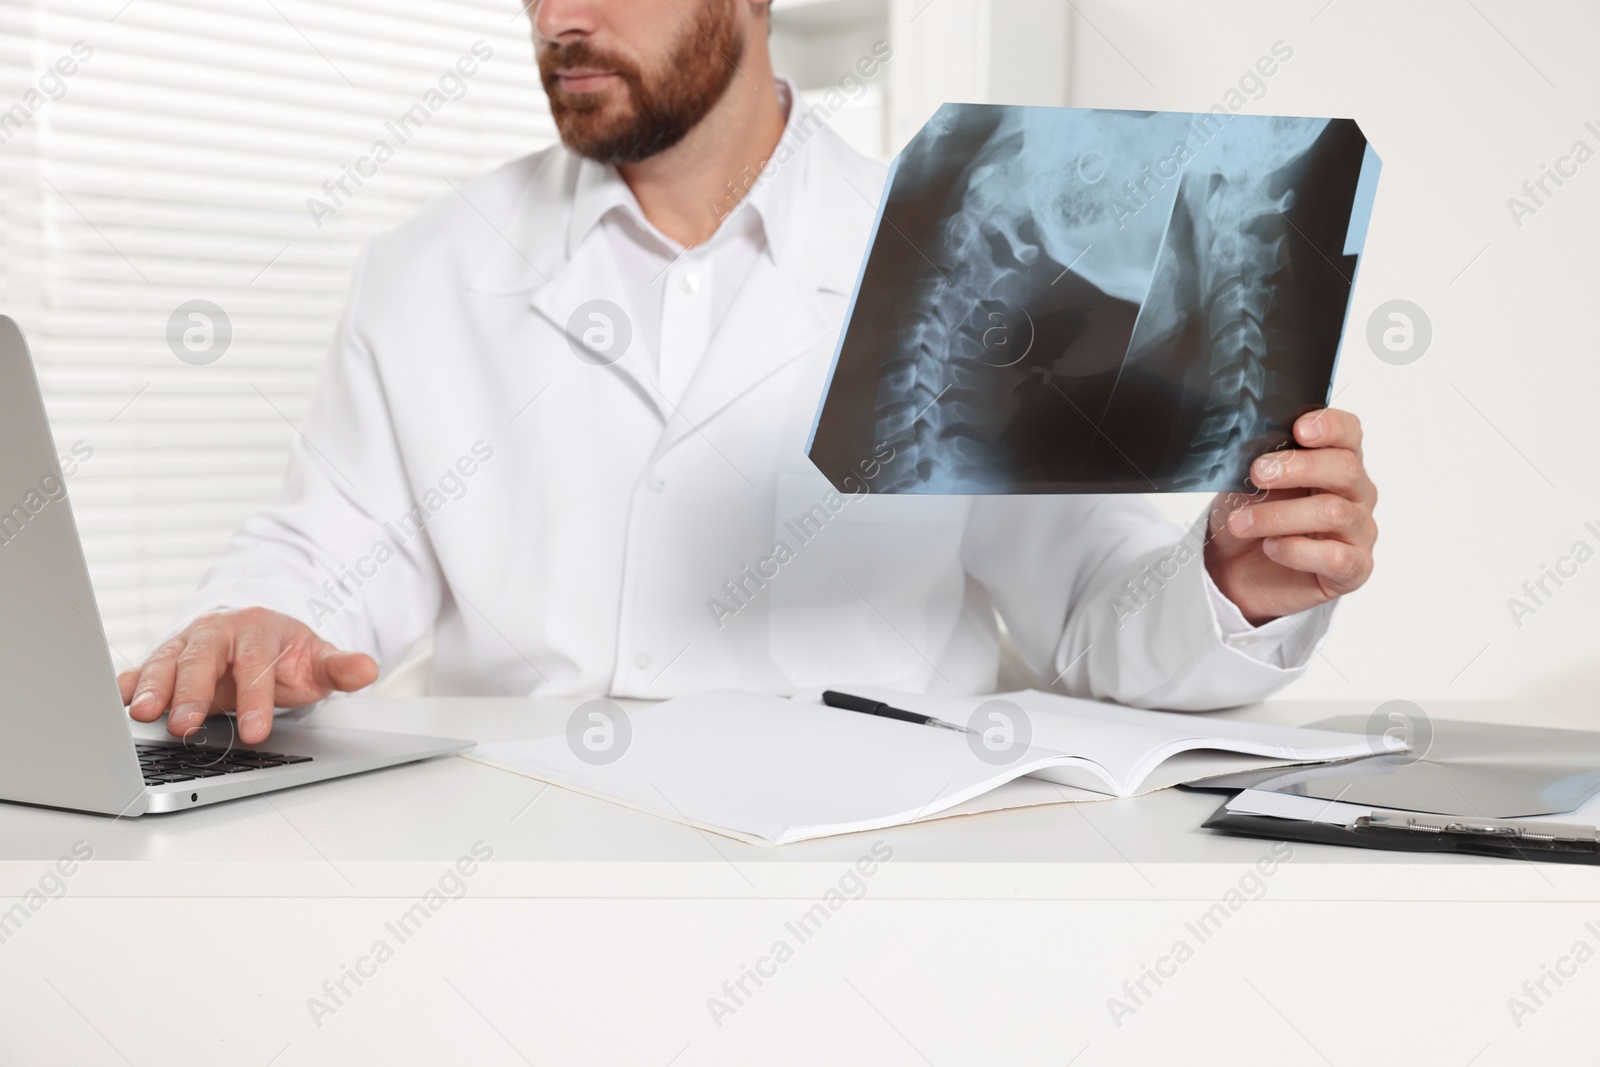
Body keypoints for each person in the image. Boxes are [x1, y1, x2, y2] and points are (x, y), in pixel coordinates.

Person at [119, 0, 1378, 745]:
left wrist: (1233, 582)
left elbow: (1091, 604)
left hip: (860, 885)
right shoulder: (430, 268)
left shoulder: (965, 253)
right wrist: (261, 625)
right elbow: (331, 552)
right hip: (521, 869)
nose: (562, 17)